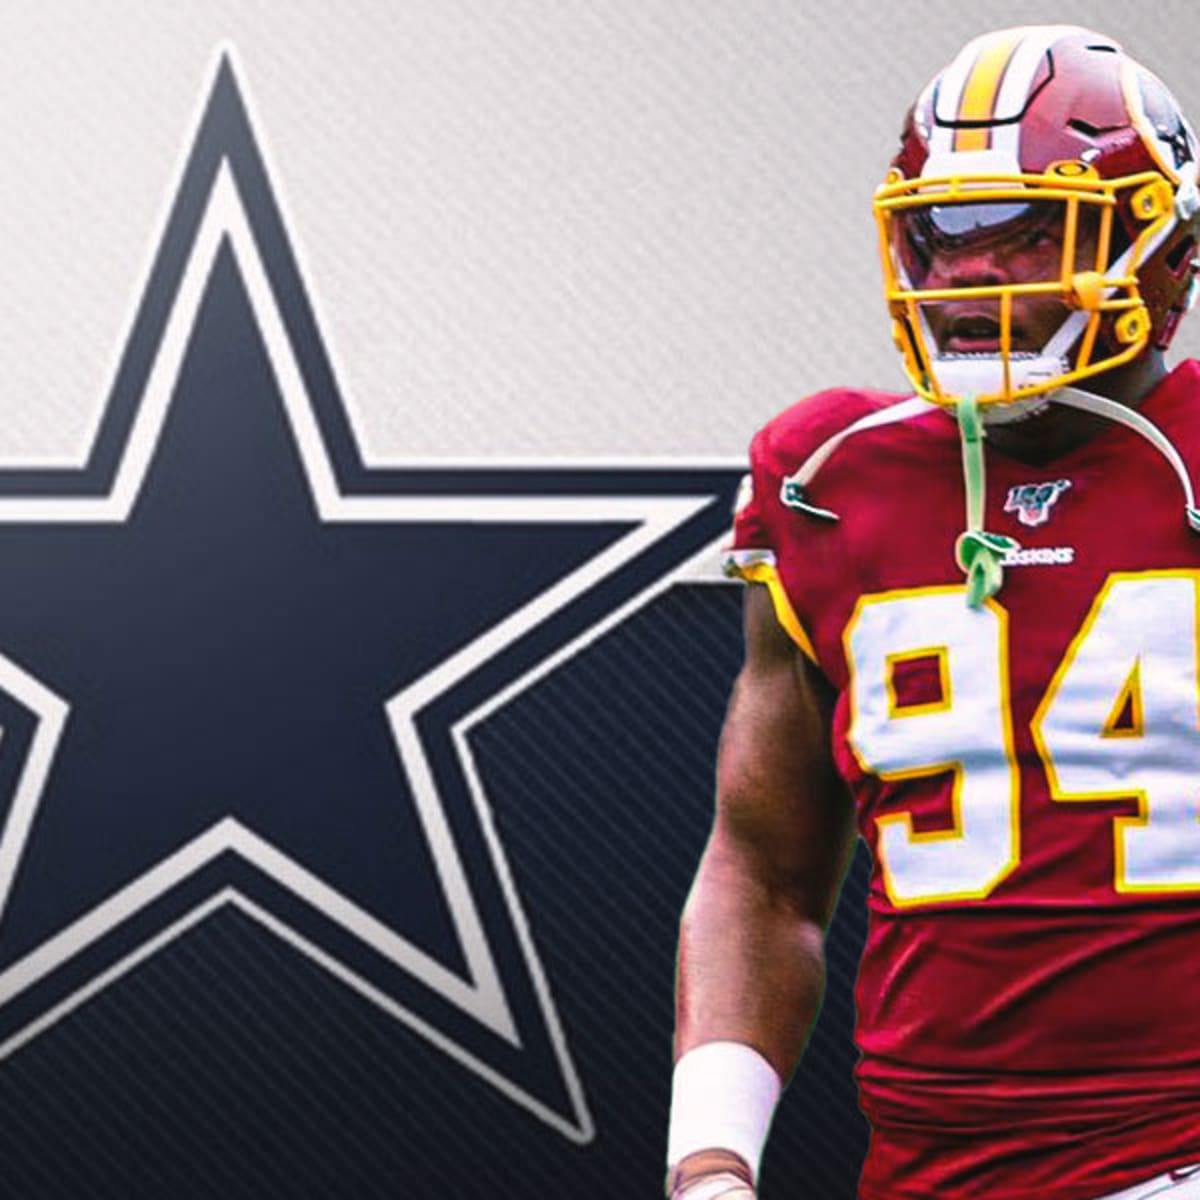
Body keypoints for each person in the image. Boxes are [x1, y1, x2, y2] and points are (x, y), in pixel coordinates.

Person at [668, 25, 1200, 1200]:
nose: (968, 273)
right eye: (943, 232)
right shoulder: (828, 477)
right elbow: (764, 869)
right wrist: (710, 1162)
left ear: (1167, 248)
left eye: (1028, 231)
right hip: (929, 1176)